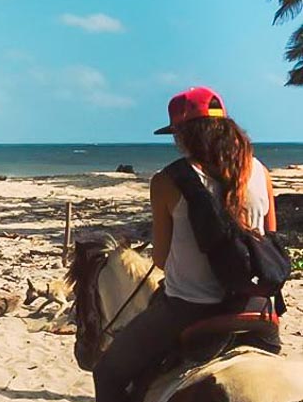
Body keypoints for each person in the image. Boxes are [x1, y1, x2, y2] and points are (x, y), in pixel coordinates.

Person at [92, 87, 277, 402]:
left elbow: (162, 259)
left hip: (189, 307)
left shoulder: (167, 181)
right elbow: (270, 241)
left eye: (175, 133)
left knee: (107, 372)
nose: (175, 141)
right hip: (258, 309)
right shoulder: (260, 171)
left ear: (185, 133)